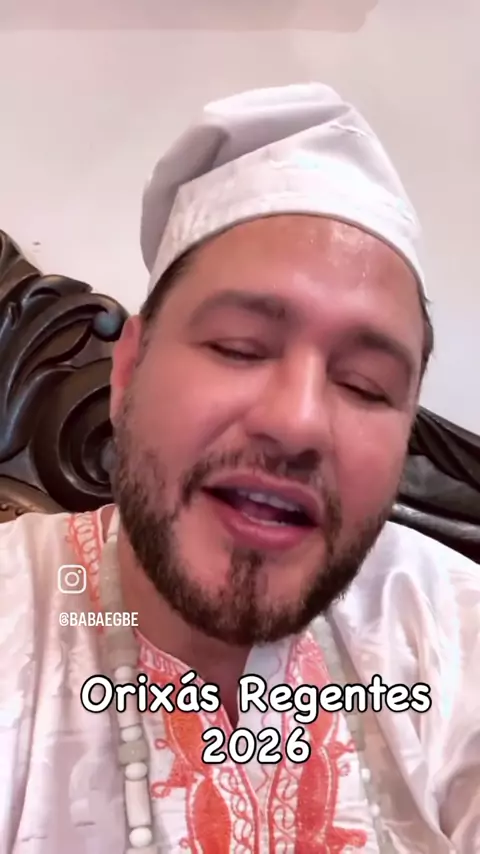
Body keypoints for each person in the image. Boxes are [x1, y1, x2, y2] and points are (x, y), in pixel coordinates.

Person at [0, 83, 478, 854]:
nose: (298, 421)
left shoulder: (453, 634)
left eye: (366, 386)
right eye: (238, 347)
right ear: (128, 372)